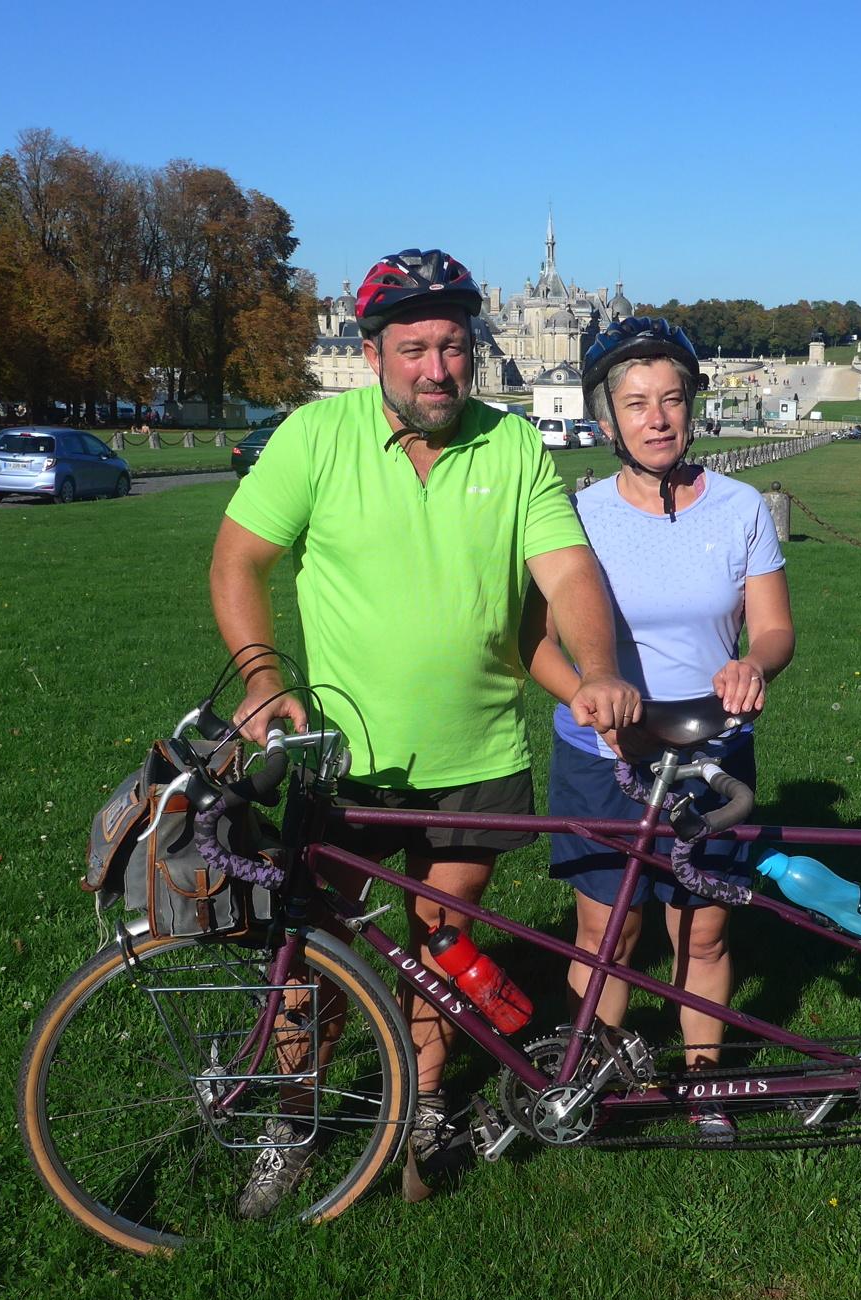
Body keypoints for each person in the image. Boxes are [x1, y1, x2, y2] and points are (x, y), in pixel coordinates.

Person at [209, 247, 641, 1210]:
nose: (438, 369)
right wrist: (258, 678)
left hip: (476, 756)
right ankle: (295, 1115)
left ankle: (429, 1101)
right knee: (310, 958)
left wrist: (600, 669)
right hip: (341, 764)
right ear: (373, 355)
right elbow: (239, 561)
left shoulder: (514, 445)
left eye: (453, 346)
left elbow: (567, 573)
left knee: (441, 948)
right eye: (415, 349)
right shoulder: (315, 438)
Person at [522, 318, 796, 1141]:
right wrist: (587, 693)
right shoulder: (575, 516)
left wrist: (756, 664)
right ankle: (592, 1078)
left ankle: (703, 1081)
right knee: (608, 924)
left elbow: (775, 627)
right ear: (607, 420)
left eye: (672, 399)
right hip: (603, 755)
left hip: (711, 749)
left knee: (702, 927)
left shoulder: (741, 507)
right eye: (636, 403)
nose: (657, 418)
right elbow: (530, 642)